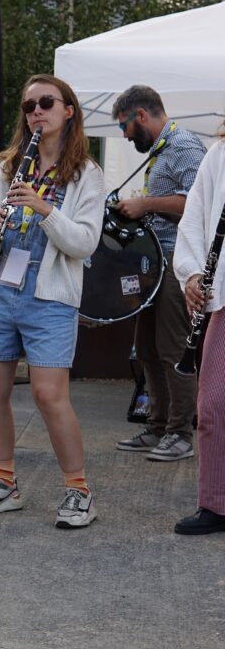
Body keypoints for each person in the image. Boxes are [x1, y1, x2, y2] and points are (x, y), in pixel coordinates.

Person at [0, 74, 104, 528]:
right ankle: (4, 483)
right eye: (29, 106)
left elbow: (84, 243)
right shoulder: (10, 167)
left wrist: (45, 210)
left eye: (47, 102)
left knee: (48, 395)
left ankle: (78, 490)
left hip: (49, 297)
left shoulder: (86, 174)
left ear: (68, 111)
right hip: (1, 289)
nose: (37, 111)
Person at [112, 86, 206, 462]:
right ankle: (157, 426)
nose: (124, 135)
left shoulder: (182, 145)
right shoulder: (163, 148)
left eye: (125, 126)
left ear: (141, 115)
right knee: (148, 349)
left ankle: (181, 434)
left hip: (174, 259)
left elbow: (197, 203)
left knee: (172, 349)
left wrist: (144, 204)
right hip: (155, 261)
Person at [172, 134, 225, 534]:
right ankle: (216, 504)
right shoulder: (220, 152)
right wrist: (192, 273)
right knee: (212, 406)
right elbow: (194, 217)